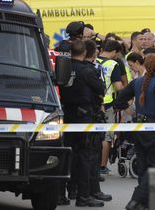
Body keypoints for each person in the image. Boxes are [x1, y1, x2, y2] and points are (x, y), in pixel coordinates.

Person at [114, 54, 155, 210]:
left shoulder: (136, 83)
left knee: (143, 166)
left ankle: (144, 203)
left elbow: (119, 101)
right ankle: (136, 200)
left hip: (138, 128)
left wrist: (133, 113)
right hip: (154, 130)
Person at [59, 40, 111, 207]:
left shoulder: (63, 67)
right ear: (84, 53)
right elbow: (101, 90)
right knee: (85, 156)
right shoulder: (87, 70)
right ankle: (83, 196)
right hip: (84, 116)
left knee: (67, 154)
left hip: (67, 115)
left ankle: (62, 193)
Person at [97, 40, 125, 175]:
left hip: (94, 103)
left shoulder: (93, 60)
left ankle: (93, 164)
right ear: (114, 52)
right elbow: (118, 86)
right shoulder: (113, 64)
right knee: (106, 137)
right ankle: (102, 166)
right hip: (107, 104)